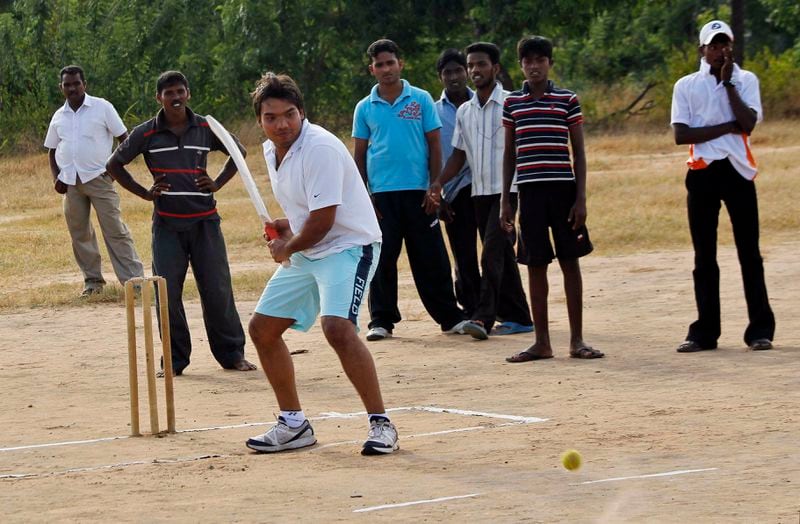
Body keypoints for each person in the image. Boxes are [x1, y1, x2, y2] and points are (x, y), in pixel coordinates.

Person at [245, 73, 398, 455]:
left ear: (302, 112)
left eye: (289, 114)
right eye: (271, 117)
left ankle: (382, 425)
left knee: (337, 328)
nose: (281, 124)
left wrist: (287, 246)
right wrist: (287, 228)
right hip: (310, 247)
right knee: (262, 330)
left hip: (349, 246)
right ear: (260, 120)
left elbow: (324, 220)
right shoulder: (271, 150)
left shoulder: (321, 148)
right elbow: (306, 212)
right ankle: (294, 425)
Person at [107, 71, 256, 375]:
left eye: (180, 91)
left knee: (217, 289)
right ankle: (175, 361)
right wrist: (146, 193)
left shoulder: (205, 127)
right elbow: (114, 165)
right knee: (167, 293)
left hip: (204, 221)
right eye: (168, 93)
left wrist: (216, 183)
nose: (175, 98)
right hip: (167, 224)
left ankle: (232, 355)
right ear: (158, 98)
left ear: (188, 93)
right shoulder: (146, 133)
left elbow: (238, 151)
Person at [670, 20, 775, 353]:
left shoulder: (746, 80)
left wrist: (729, 86)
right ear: (702, 50)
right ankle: (704, 332)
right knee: (704, 255)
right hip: (702, 171)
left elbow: (747, 124)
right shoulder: (686, 85)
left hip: (739, 173)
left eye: (724, 44)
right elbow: (681, 135)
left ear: (732, 46)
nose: (719, 51)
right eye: (713, 45)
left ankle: (760, 330)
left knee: (750, 254)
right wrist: (726, 127)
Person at [352, 39, 467, 341]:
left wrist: (435, 185)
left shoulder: (420, 99)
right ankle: (381, 321)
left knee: (431, 257)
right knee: (382, 258)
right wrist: (365, 196)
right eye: (380, 64)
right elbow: (360, 155)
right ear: (372, 69)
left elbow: (433, 144)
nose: (386, 69)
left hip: (419, 193)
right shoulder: (365, 107)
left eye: (390, 62)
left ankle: (450, 317)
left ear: (400, 64)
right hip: (382, 195)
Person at [500, 36, 603, 362]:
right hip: (529, 193)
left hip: (563, 191)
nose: (534, 66)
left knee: (570, 261)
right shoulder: (513, 103)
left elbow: (580, 153)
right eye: (528, 61)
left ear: (550, 63)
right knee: (535, 263)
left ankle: (577, 340)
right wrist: (507, 199)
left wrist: (581, 198)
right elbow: (509, 154)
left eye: (540, 60)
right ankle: (542, 342)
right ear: (520, 66)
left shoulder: (567, 99)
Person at [427, 43, 533, 340]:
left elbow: (524, 146)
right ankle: (521, 317)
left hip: (507, 192)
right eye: (471, 65)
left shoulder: (513, 103)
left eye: (480, 65)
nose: (475, 71)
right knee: (500, 256)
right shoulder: (465, 111)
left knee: (490, 255)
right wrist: (438, 183)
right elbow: (459, 155)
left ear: (496, 69)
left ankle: (484, 319)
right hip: (479, 194)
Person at [44, 65, 144, 296]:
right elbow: (51, 149)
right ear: (61, 88)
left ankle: (135, 283)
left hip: (100, 178)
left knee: (115, 230)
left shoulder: (102, 107)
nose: (72, 88)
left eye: (76, 83)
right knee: (80, 233)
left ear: (84, 84)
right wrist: (56, 176)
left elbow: (125, 140)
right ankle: (93, 283)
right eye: (67, 84)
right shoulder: (59, 115)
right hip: (70, 183)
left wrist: (114, 170)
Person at [433, 48, 481, 319]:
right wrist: (438, 196)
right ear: (440, 77)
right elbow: (429, 155)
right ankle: (472, 308)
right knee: (463, 254)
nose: (454, 77)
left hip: (486, 188)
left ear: (467, 72)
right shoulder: (433, 112)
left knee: (496, 251)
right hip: (452, 193)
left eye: (458, 70)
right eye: (447, 72)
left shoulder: (482, 103)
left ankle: (499, 306)